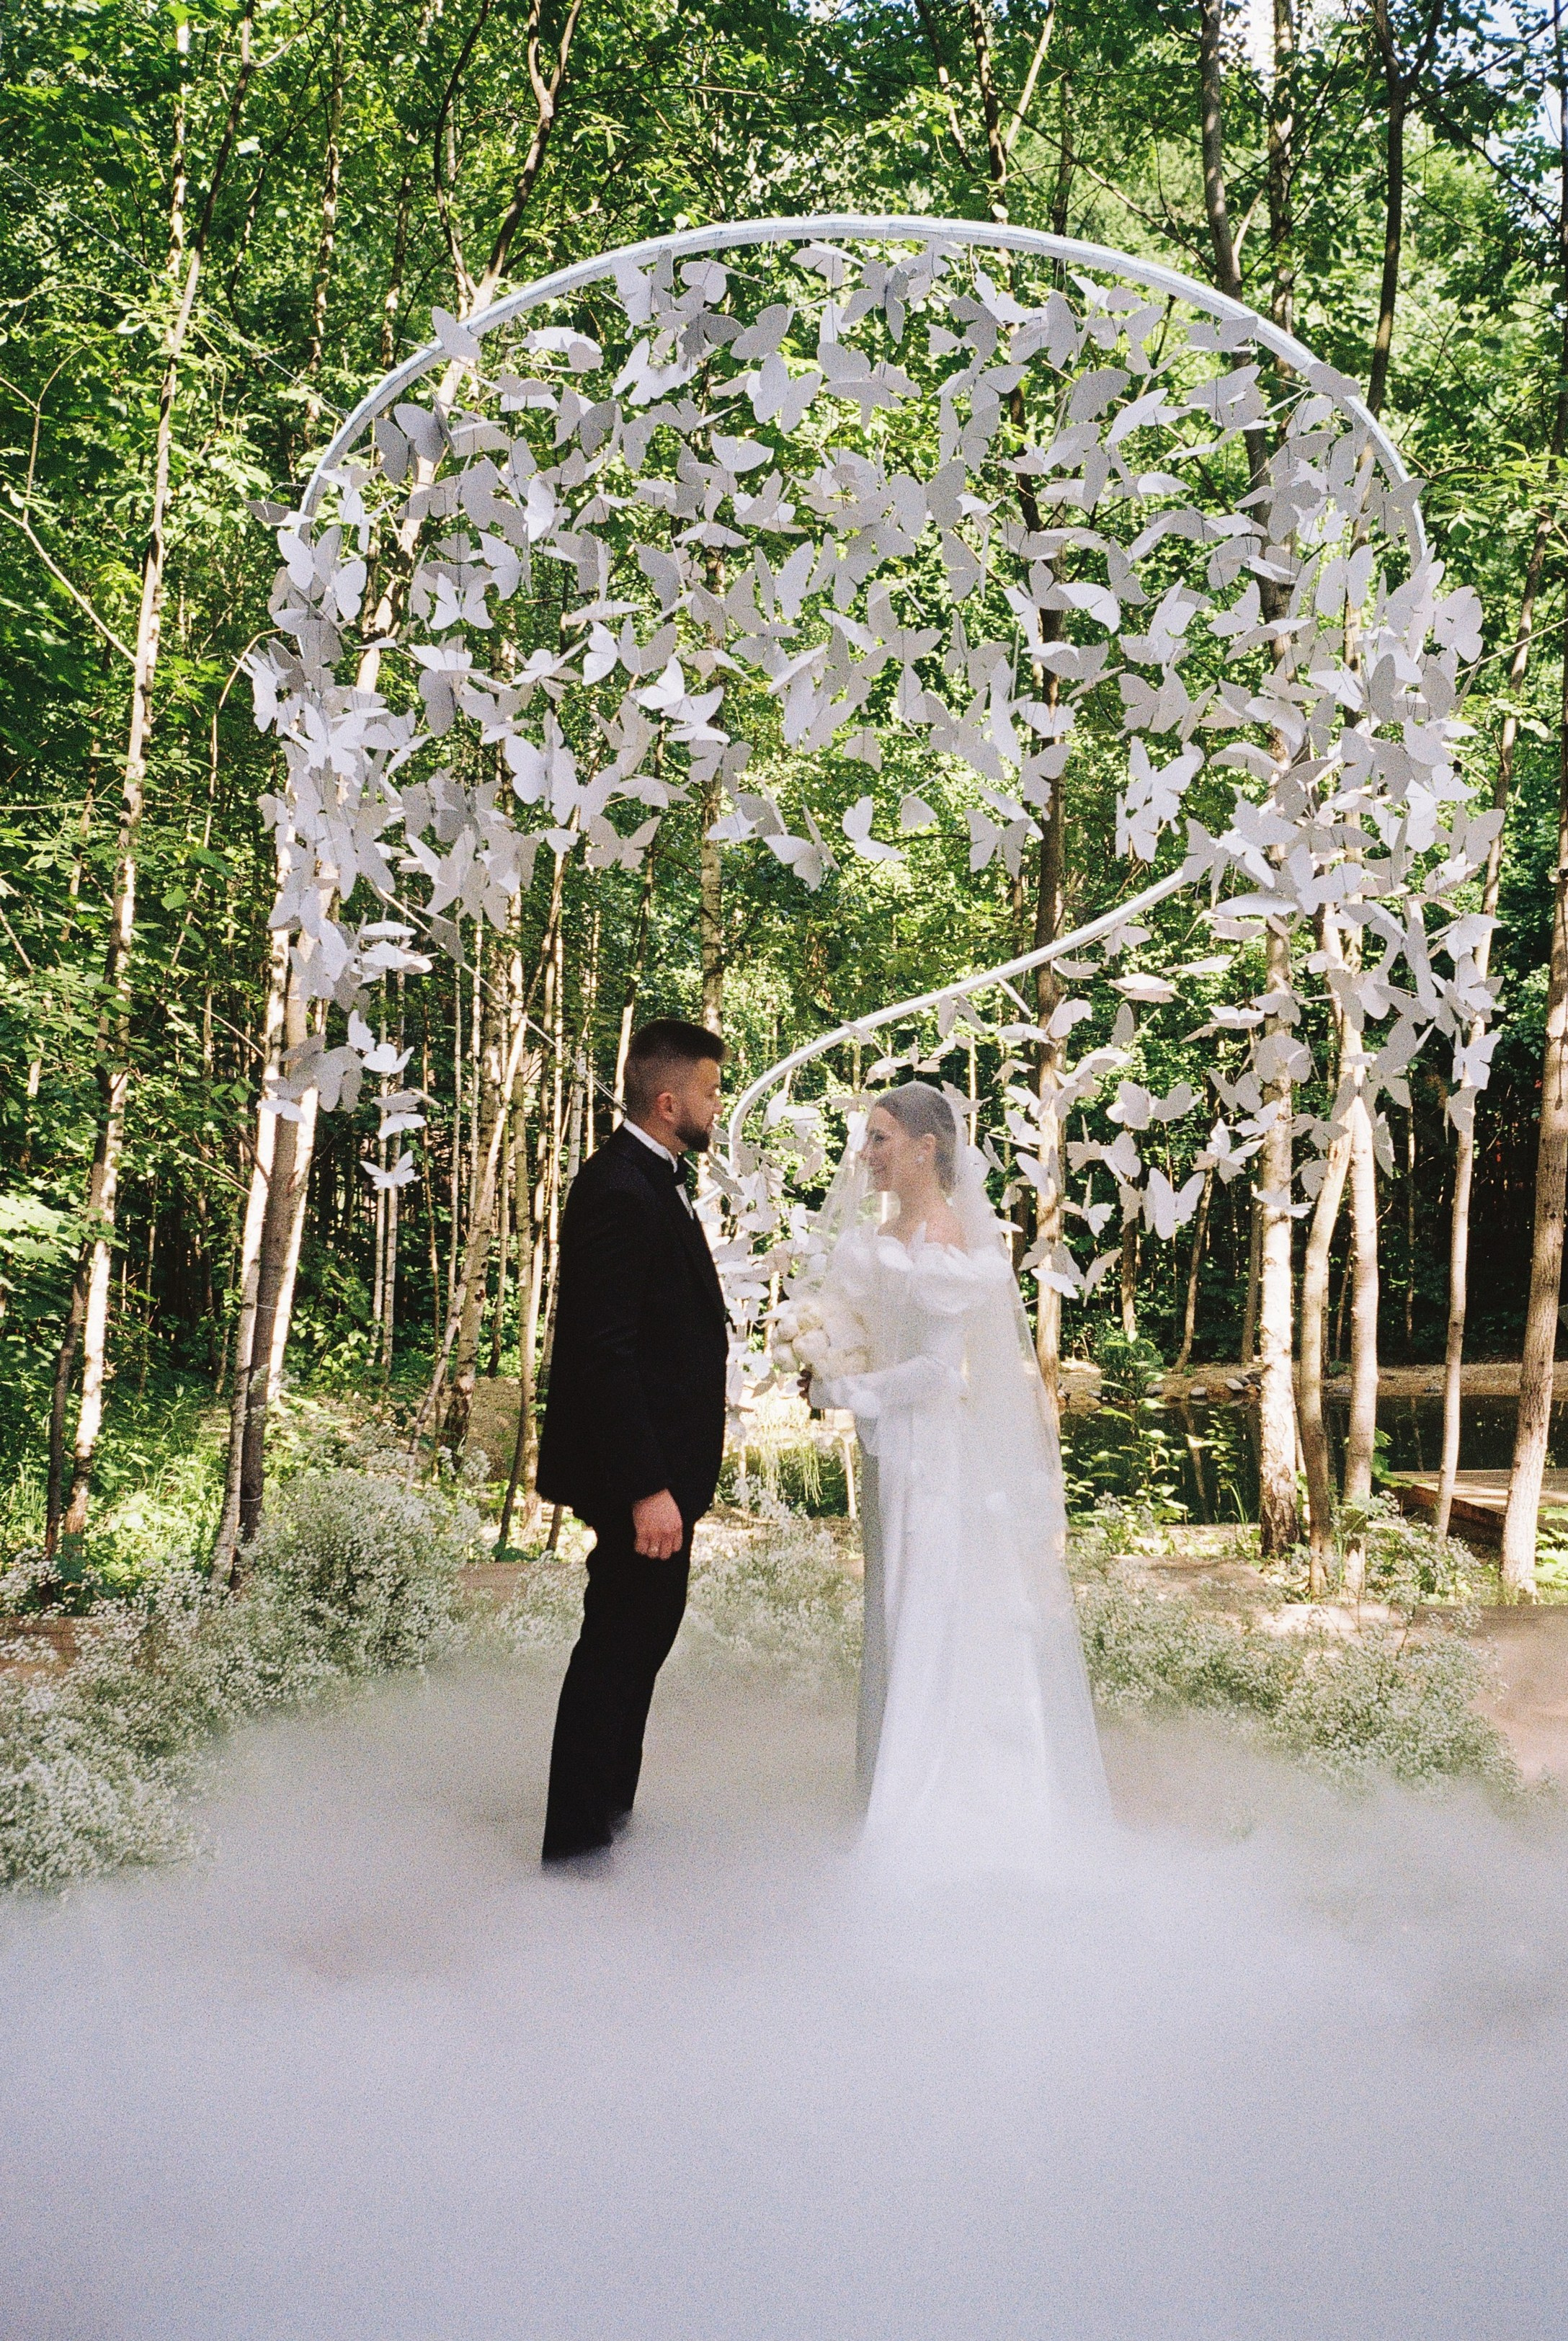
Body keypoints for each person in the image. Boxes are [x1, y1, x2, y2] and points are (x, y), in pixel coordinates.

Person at [805, 1083, 1109, 1880]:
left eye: (878, 1138)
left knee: (929, 1604)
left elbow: (940, 1369)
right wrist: (827, 1353)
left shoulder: (942, 1231)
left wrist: (855, 1388)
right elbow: (873, 1330)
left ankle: (939, 1798)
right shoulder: (891, 1227)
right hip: (892, 1449)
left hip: (933, 1452)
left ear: (924, 1147)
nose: (865, 1153)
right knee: (898, 1602)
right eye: (866, 1138)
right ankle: (895, 1782)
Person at [537, 1018, 729, 1865]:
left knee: (638, 1647)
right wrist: (646, 1485)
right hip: (637, 1479)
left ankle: (607, 1820)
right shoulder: (618, 1187)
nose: (717, 1104)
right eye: (711, 1090)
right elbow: (601, 1351)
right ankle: (576, 1850)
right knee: (616, 1652)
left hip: (660, 1473)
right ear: (666, 1100)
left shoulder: (655, 1177)